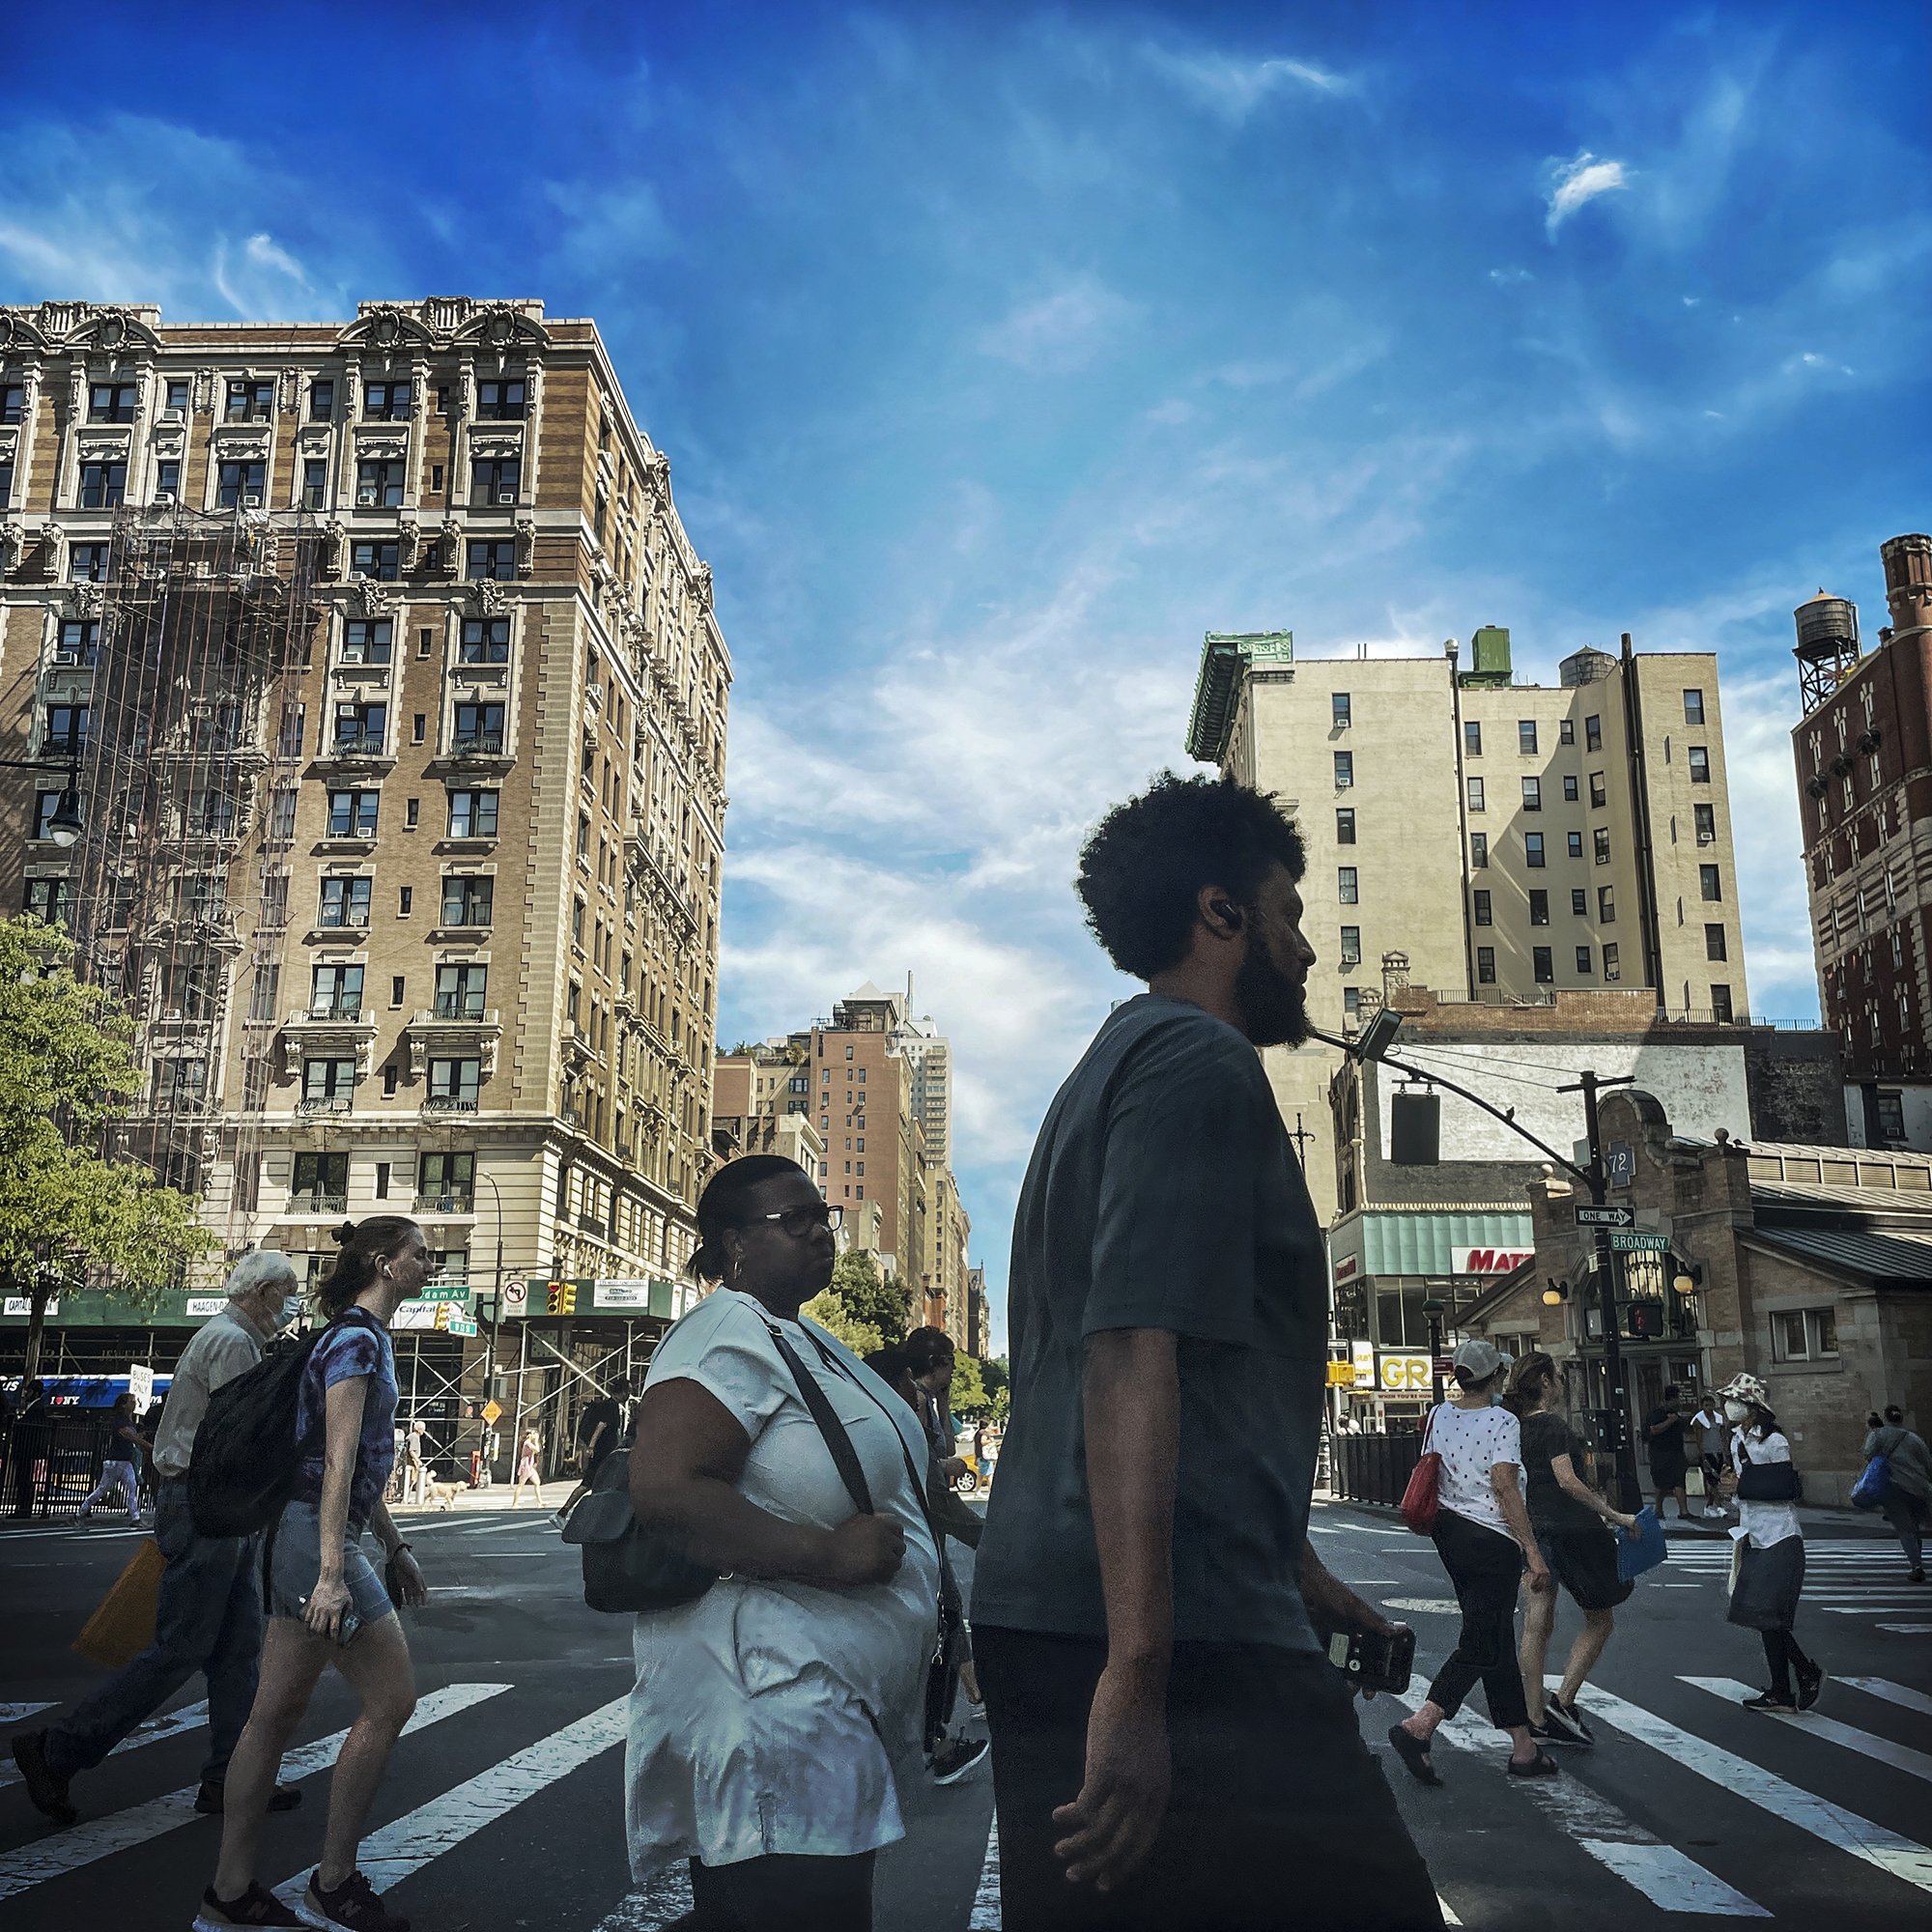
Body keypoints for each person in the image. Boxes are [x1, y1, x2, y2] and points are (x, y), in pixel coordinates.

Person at [973, 774, 1439, 1932]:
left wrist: (1304, 1574)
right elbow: (1130, 1351)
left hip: (1087, 1609)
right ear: (1220, 912)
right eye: (1289, 916)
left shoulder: (1108, 1068)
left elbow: (1197, 1385)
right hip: (1180, 1639)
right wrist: (1135, 1678)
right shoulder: (1197, 1061)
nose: (1306, 954)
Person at [625, 1155, 940, 1931]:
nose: (819, 1233)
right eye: (792, 1220)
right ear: (733, 1243)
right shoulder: (724, 1333)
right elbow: (668, 1489)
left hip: (816, 1703)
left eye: (822, 1216)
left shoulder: (799, 1334)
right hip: (772, 1707)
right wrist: (830, 1557)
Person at [11, 1254, 308, 1829]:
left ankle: (232, 1777)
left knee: (237, 1648)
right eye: (288, 1292)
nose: (291, 1304)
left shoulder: (233, 1339)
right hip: (206, 1507)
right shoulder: (231, 1343)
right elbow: (245, 1432)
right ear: (264, 1292)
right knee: (183, 1647)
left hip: (219, 1509)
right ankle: (57, 1751)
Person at [195, 1217, 433, 1932]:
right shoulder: (358, 1339)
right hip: (314, 1540)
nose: (431, 1261)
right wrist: (334, 1571)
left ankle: (229, 1894)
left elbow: (357, 1464)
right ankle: (333, 1884)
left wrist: (394, 1545)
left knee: (271, 1716)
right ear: (385, 1263)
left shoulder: (357, 1337)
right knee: (391, 1701)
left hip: (303, 1535)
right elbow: (335, 1461)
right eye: (420, 1254)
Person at [1389, 1339, 1558, 1786]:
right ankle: (1421, 1725)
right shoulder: (1503, 1420)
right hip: (1491, 1538)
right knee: (1481, 1640)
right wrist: (1532, 1551)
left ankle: (1523, 1746)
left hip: (1449, 1532)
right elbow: (1504, 1485)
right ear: (1496, 1377)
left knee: (1494, 1634)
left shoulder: (1439, 1414)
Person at [867, 1342, 989, 1785]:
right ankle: (933, 1741)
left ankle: (942, 1726)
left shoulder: (886, 1418)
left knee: (946, 1625)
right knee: (940, 1628)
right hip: (911, 1551)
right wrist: (990, 1542)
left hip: (909, 1550)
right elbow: (935, 1495)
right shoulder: (891, 1423)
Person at [1504, 1351, 1637, 1747]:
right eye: (1558, 1377)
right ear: (1546, 1382)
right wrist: (1614, 1514)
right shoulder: (1554, 1426)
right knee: (1600, 1618)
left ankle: (1533, 1716)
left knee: (1535, 1624)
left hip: (1532, 1530)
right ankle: (1562, 1702)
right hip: (1574, 1530)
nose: (1561, 1384)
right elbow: (1569, 1482)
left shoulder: (1510, 1427)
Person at [1717, 1373, 1821, 1714]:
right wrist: (1731, 1492)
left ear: (1752, 1408)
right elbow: (1743, 1496)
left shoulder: (1774, 1441)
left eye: (1736, 1401)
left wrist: (1742, 1487)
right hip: (1752, 1534)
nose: (1729, 1406)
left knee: (1772, 1615)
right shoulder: (1735, 1440)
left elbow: (1784, 1489)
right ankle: (1783, 1688)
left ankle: (1802, 1674)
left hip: (1780, 1535)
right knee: (1759, 1615)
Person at [1862, 1405, 1931, 1583]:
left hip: (1894, 1488)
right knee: (1914, 1528)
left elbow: (1868, 1453)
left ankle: (1916, 1566)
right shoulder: (1915, 1438)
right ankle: (1917, 1562)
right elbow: (1927, 1463)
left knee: (1905, 1529)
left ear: (1886, 1418)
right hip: (1918, 1488)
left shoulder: (1878, 1435)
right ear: (1901, 1418)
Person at [554, 1376, 630, 1527]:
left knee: (597, 1484)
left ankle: (591, 1517)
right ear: (621, 1392)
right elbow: (600, 1426)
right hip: (602, 1453)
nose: (629, 1395)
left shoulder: (612, 1406)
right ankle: (562, 1513)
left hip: (605, 1453)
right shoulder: (610, 1407)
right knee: (589, 1483)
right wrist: (591, 1446)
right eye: (628, 1391)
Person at [76, 1392, 148, 1526]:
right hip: (115, 1461)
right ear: (123, 1405)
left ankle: (136, 1518)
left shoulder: (128, 1421)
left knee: (132, 1487)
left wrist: (139, 1436)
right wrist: (145, 1443)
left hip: (126, 1462)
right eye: (131, 1401)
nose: (134, 1404)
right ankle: (81, 1512)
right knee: (102, 1489)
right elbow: (129, 1436)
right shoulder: (119, 1421)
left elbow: (133, 1437)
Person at [1644, 1384, 1696, 1521]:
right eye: (1678, 1398)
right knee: (1662, 1484)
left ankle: (1684, 1511)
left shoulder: (1676, 1414)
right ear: (1671, 1399)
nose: (1679, 1401)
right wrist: (1669, 1421)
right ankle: (1658, 1509)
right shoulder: (1658, 1413)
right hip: (1661, 1453)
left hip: (1676, 1452)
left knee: (1679, 1481)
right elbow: (1654, 1429)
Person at [1690, 1395, 1732, 1521]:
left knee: (1717, 1478)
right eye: (1706, 1405)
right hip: (1707, 1453)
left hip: (1718, 1451)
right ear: (1702, 1406)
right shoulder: (1699, 1420)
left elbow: (1723, 1437)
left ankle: (1709, 1505)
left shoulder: (1719, 1419)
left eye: (1711, 1405)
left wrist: (1725, 1453)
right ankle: (1719, 1506)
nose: (1709, 1408)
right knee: (1712, 1480)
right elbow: (1698, 1439)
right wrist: (1702, 1455)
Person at [508, 1428, 545, 1510]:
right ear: (529, 1435)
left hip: (530, 1465)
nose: (535, 1435)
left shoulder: (529, 1443)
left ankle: (540, 1502)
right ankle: (514, 1503)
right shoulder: (527, 1443)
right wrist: (536, 1441)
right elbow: (537, 1450)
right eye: (533, 1434)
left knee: (537, 1482)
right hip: (526, 1465)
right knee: (521, 1484)